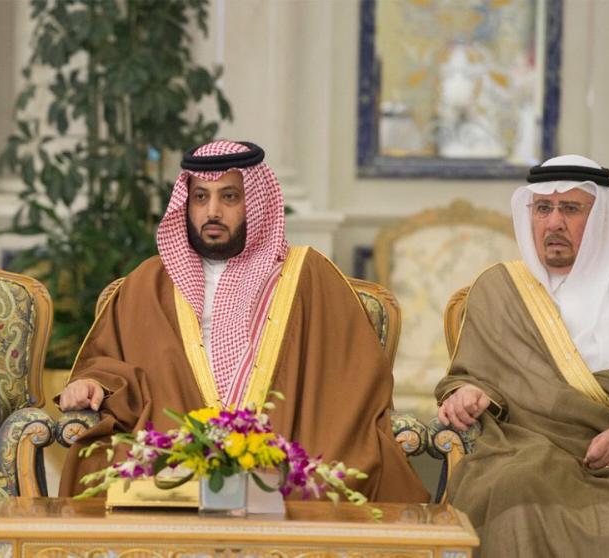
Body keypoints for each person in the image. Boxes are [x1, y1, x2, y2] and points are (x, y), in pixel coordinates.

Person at [57, 140, 427, 502]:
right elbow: (111, 361)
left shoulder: (309, 275)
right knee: (106, 472)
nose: (212, 211)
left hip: (288, 445)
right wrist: (93, 383)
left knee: (331, 477)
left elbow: (356, 375)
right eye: (200, 197)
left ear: (256, 203)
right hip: (172, 448)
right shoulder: (149, 283)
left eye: (229, 197)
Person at [435, 155, 609, 557]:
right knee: (512, 484)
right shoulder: (500, 288)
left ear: (600, 216)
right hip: (533, 440)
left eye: (570, 209)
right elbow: (477, 375)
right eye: (543, 208)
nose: (553, 223)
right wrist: (468, 393)